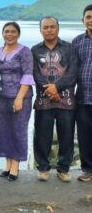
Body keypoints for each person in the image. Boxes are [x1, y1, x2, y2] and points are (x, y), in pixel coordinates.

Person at [32, 17, 78, 182]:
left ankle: (63, 169)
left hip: (66, 101)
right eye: (46, 27)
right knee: (42, 136)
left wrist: (57, 88)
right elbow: (35, 74)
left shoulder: (70, 48)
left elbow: (73, 73)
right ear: (41, 30)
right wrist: (51, 91)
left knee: (66, 136)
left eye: (52, 27)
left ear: (58, 28)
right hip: (44, 102)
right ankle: (43, 168)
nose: (49, 30)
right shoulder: (35, 50)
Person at [0, 22, 35, 181]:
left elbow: (27, 75)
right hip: (3, 97)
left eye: (13, 31)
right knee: (4, 130)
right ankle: (8, 163)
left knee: (18, 130)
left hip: (21, 97)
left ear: (18, 34)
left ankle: (16, 166)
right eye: (6, 31)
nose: (9, 34)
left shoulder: (24, 51)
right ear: (3, 33)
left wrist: (19, 97)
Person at [73, 4, 92, 182]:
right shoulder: (78, 41)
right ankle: (88, 170)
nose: (91, 20)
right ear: (83, 20)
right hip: (83, 96)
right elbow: (71, 69)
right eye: (88, 17)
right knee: (85, 136)